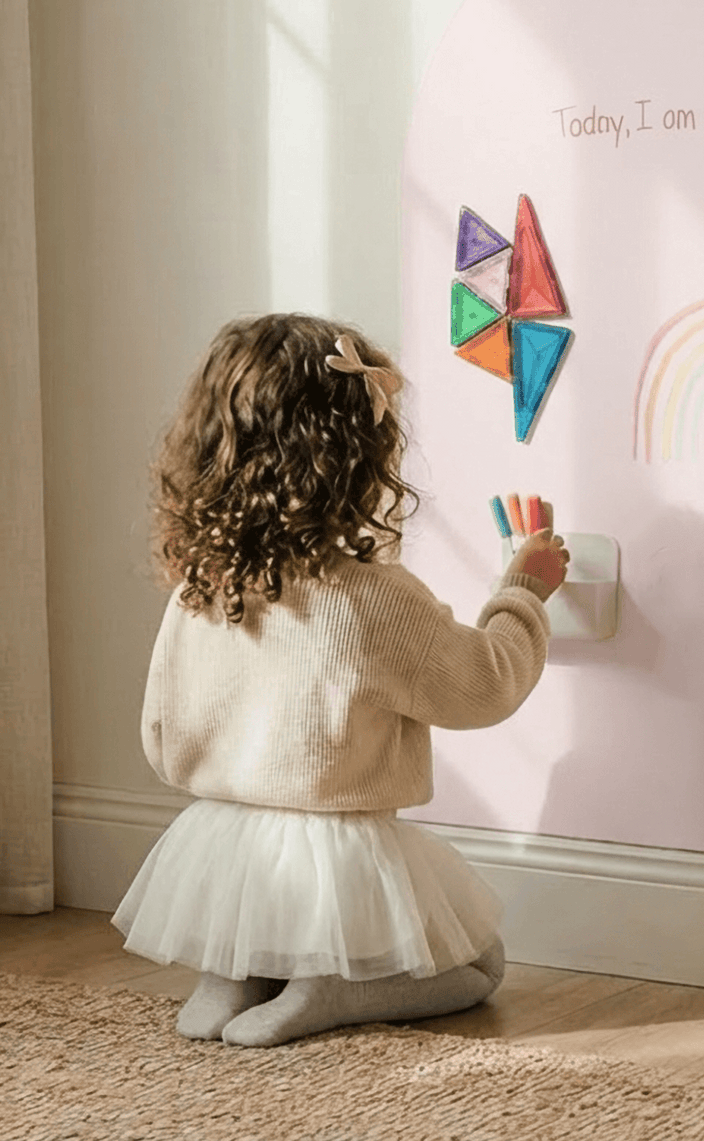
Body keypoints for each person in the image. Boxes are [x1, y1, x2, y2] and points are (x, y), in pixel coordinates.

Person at [111, 313, 568, 1047]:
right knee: (481, 967)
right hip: (342, 853)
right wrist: (523, 590)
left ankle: (232, 979)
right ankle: (329, 992)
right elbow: (483, 685)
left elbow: (162, 736)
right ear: (358, 461)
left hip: (224, 848)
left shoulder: (201, 587)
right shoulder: (373, 599)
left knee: (263, 930)